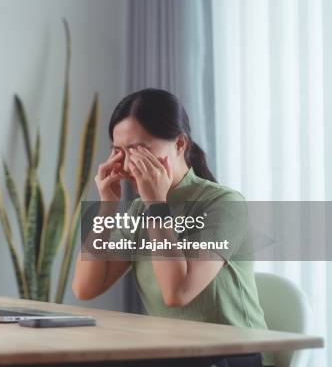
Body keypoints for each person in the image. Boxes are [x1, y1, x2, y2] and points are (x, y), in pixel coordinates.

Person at [72, 88, 273, 367]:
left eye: (139, 149)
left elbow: (176, 293)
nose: (129, 163)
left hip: (236, 356)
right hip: (177, 355)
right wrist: (108, 204)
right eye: (119, 151)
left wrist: (157, 204)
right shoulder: (140, 209)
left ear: (179, 144)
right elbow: (85, 288)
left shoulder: (224, 204)